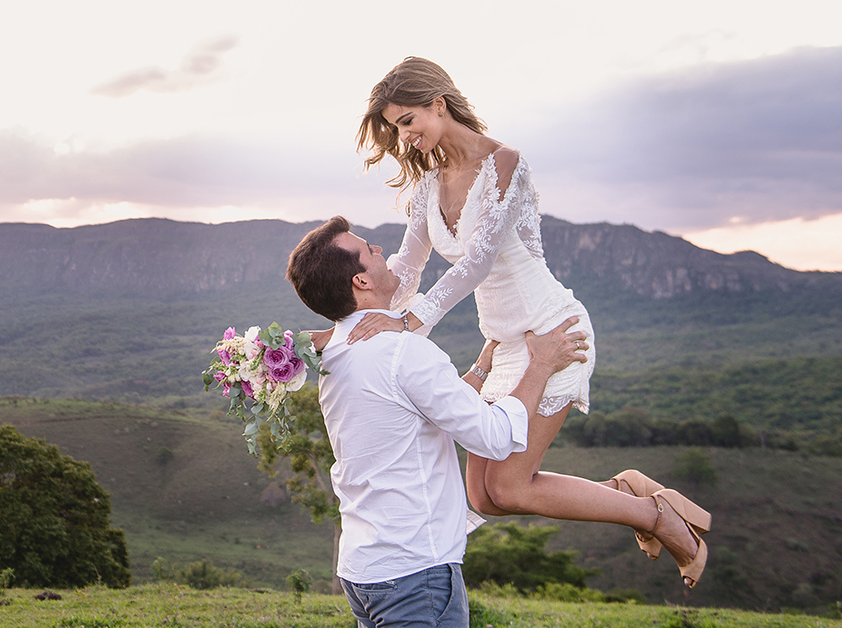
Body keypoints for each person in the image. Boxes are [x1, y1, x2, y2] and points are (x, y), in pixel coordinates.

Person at [345, 56, 709, 589]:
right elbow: (410, 262)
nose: (404, 137)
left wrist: (410, 323)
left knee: (512, 487)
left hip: (552, 333)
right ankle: (626, 491)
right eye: (396, 128)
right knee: (483, 496)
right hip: (503, 345)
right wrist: (359, 316)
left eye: (407, 121)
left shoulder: (504, 163)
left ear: (437, 104)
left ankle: (659, 518)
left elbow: (478, 263)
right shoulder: (428, 182)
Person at [286, 215, 588, 628]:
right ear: (361, 282)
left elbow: (414, 421)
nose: (380, 251)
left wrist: (482, 368)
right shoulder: (402, 352)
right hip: (414, 576)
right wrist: (541, 366)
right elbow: (497, 438)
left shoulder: (336, 355)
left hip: (363, 570)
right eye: (369, 250)